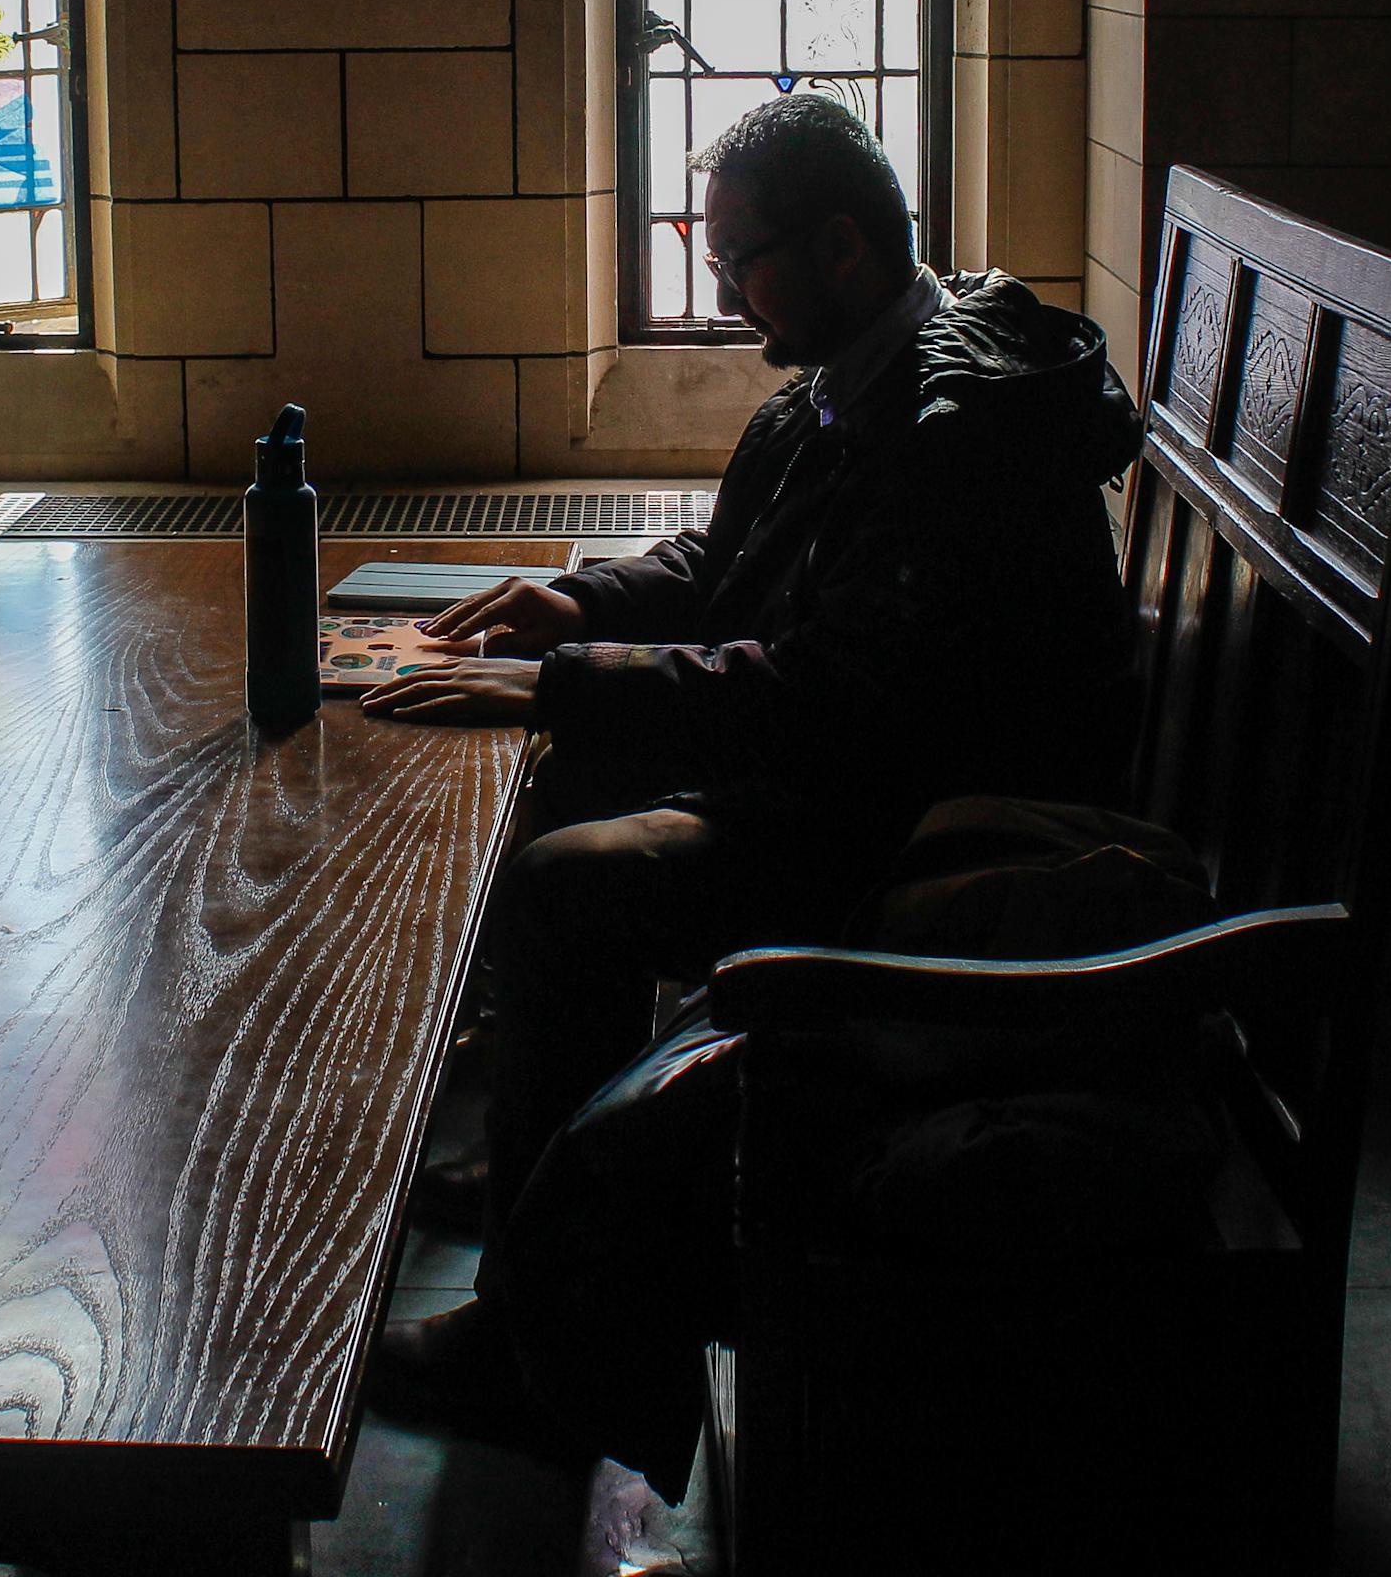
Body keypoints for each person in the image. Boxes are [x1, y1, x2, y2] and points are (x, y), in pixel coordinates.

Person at [359, 91, 1141, 1470]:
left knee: (568, 884)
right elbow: (731, 570)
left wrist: (567, 683)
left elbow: (839, 703)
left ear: (840, 245)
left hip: (943, 850)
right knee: (575, 777)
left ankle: (540, 1347)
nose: (725, 297)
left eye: (740, 261)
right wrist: (574, 604)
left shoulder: (951, 435)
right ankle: (557, 1181)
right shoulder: (865, 376)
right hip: (884, 784)